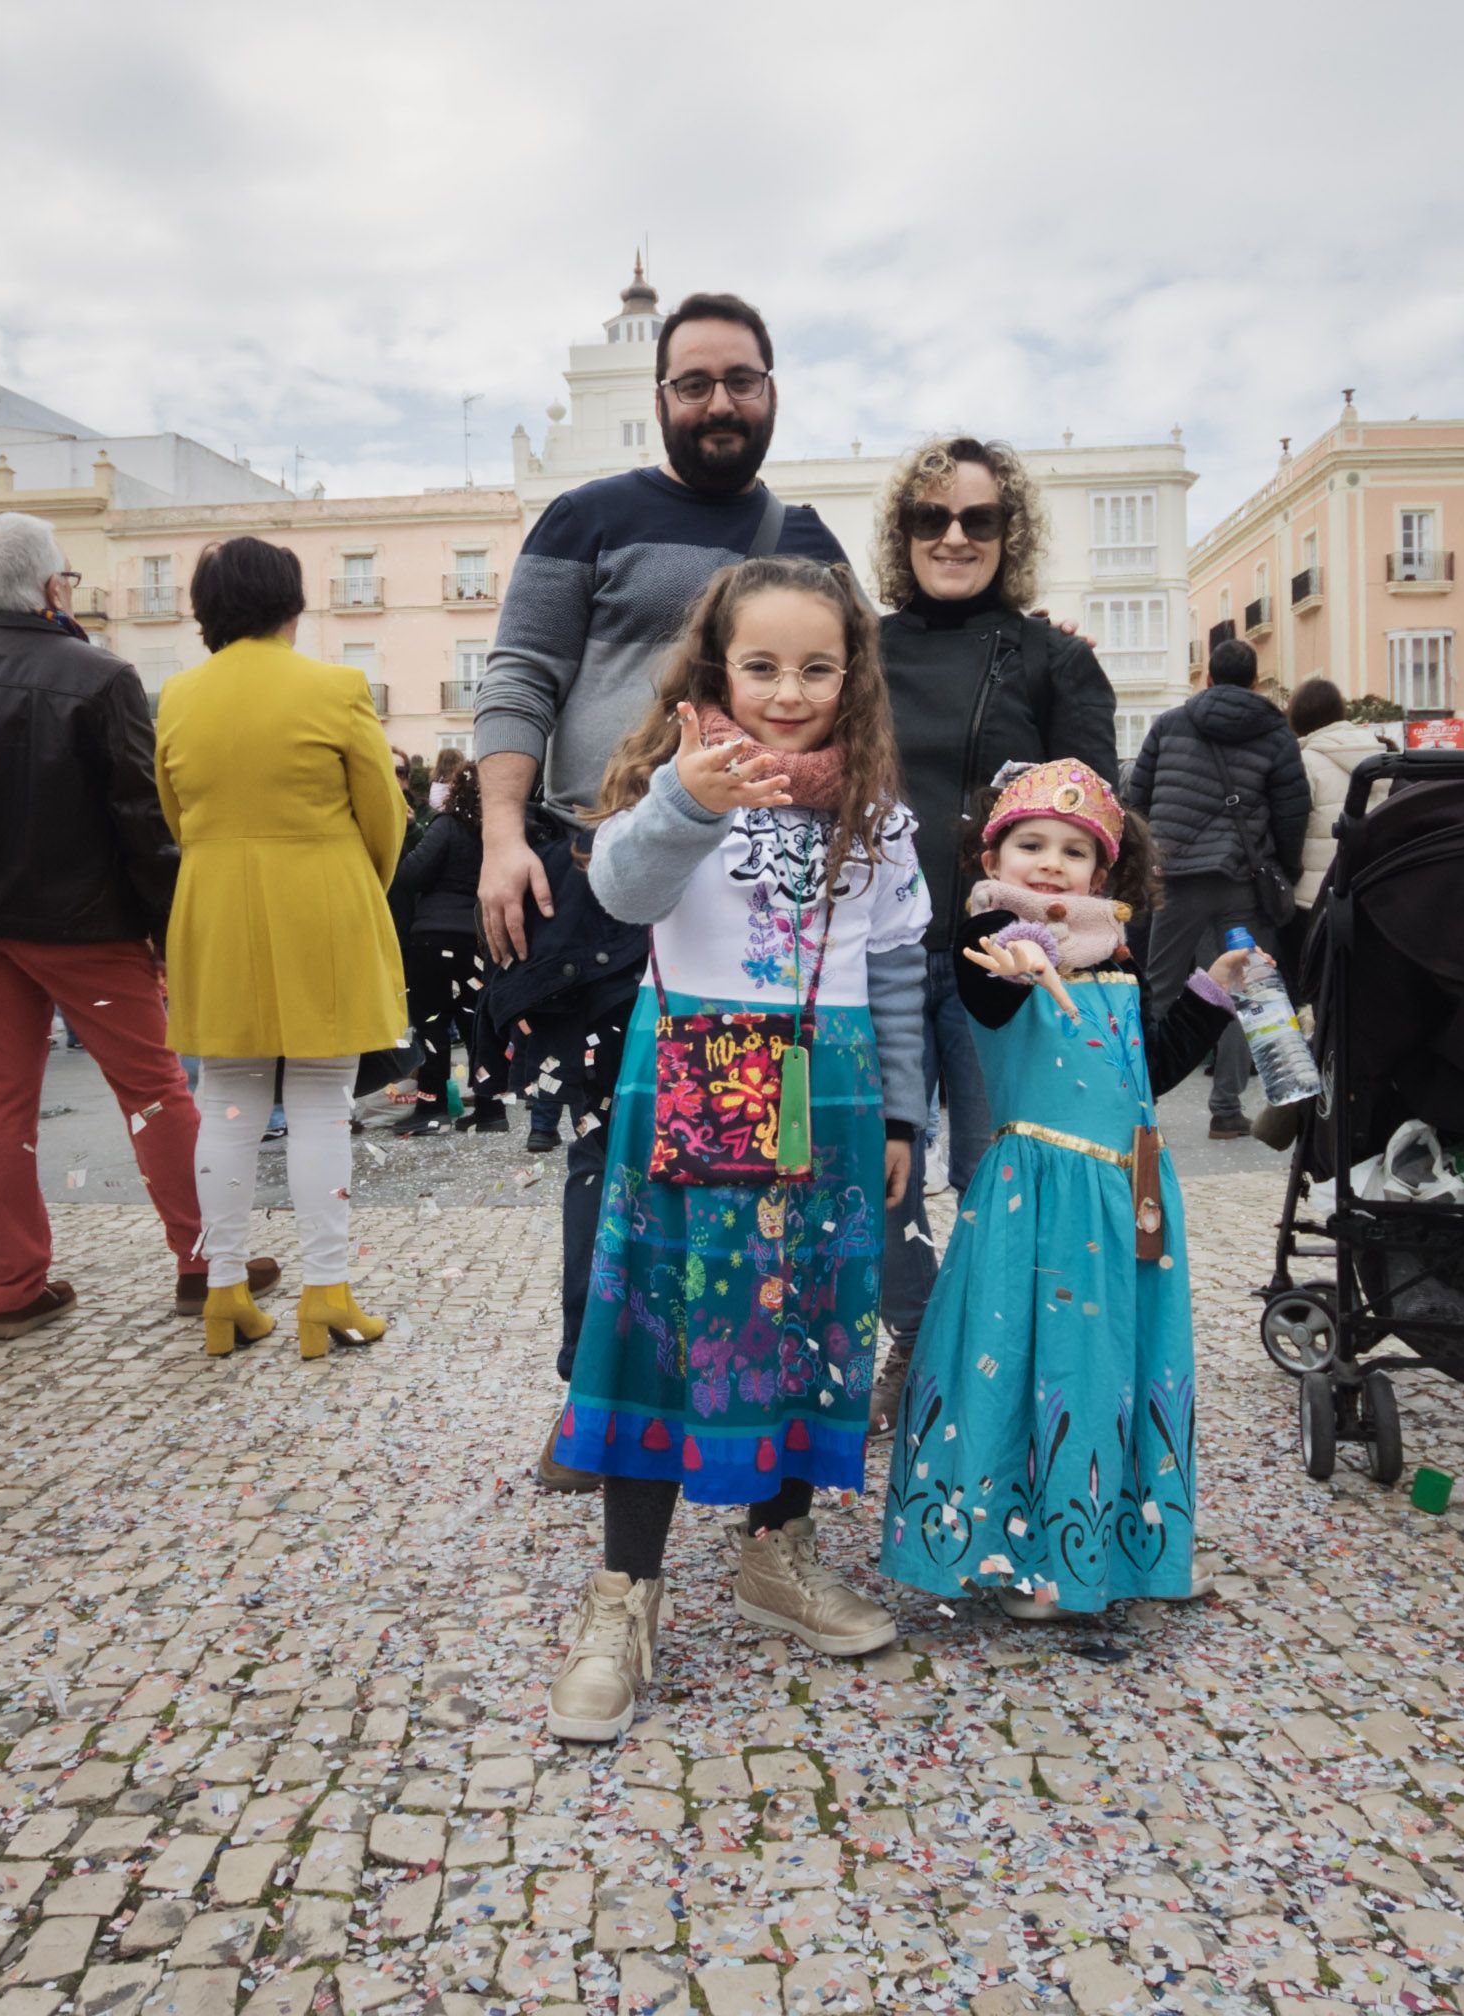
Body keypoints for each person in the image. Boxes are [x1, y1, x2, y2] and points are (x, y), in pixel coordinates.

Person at [540, 556, 928, 1743]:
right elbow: (620, 889)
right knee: (660, 1316)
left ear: (852, 675)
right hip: (697, 1073)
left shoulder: (874, 810)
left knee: (810, 1314)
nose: (789, 690)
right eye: (760, 666)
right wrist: (689, 800)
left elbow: (899, 965)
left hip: (834, 1090)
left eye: (818, 667)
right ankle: (625, 1594)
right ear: (714, 669)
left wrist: (908, 1113)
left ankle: (777, 1551)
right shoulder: (679, 780)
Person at [471, 290, 850, 1490]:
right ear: (661, 400)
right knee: (612, 1142)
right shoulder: (587, 516)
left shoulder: (810, 543)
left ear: (773, 391)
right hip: (599, 864)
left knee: (758, 1150)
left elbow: (854, 706)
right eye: (696, 384)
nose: (719, 403)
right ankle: (598, 1399)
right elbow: (521, 675)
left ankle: (739, 1396)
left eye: (741, 380)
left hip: (759, 895)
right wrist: (497, 835)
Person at [0, 512, 270, 1341]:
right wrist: (168, 925)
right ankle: (204, 1260)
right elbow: (139, 816)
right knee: (154, 1088)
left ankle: (13, 1284)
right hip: (86, 922)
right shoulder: (100, 677)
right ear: (54, 586)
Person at [878, 759, 1242, 1614]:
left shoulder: (1111, 957)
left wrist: (1209, 997)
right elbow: (996, 996)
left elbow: (1145, 1069)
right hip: (1036, 1202)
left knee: (1118, 1365)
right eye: (1029, 844)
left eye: (1073, 851)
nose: (1049, 863)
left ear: (1102, 872)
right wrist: (1022, 948)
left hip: (1128, 1195)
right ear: (992, 862)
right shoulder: (990, 948)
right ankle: (1027, 1554)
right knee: (1033, 1366)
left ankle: (1128, 1547)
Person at [870, 435, 1118, 1426]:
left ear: (1010, 532)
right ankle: (921, 1339)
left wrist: (1066, 939)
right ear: (905, 533)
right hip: (878, 955)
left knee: (998, 1175)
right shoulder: (863, 649)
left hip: (1001, 965)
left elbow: (1104, 825)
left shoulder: (1055, 658)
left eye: (979, 517)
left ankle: (988, 1355)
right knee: (875, 1170)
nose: (956, 535)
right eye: (933, 517)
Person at [157, 537, 405, 1360]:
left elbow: (173, 812)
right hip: (321, 898)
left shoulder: (179, 697)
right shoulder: (335, 687)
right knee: (320, 1101)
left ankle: (225, 1290)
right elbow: (383, 814)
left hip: (215, 903)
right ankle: (324, 1291)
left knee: (226, 1098)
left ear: (205, 611)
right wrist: (355, 881)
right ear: (292, 605)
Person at [1122, 638, 1307, 1137]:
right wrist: (1283, 871)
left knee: (1159, 989)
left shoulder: (1170, 723)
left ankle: (1142, 1104)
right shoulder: (1274, 732)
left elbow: (1135, 799)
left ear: (1207, 677)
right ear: (1254, 681)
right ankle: (1228, 1109)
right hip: (1243, 880)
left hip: (1176, 879)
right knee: (1246, 989)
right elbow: (1293, 810)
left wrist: (1147, 861)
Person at [388, 762, 508, 1140]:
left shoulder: (447, 826)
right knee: (478, 1026)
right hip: (479, 939)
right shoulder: (501, 834)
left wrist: (406, 834)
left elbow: (410, 874)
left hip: (434, 937)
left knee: (431, 1027)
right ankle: (490, 1108)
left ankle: (431, 1107)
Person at [1289, 677, 1390, 911]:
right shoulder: (1377, 755)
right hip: (1371, 885)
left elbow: (1292, 830)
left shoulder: (1304, 762)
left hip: (1314, 895)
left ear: (1298, 717)